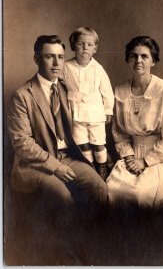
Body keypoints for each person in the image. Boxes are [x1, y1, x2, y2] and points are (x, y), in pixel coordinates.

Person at [7, 35, 108, 222]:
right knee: (63, 196)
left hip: (66, 156)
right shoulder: (22, 96)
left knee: (99, 187)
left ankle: (99, 239)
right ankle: (69, 247)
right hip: (35, 165)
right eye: (49, 57)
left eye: (60, 57)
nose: (56, 63)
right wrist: (55, 166)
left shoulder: (64, 87)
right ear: (37, 59)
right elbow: (22, 143)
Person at [107, 36, 163, 207]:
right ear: (128, 60)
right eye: (133, 56)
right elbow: (119, 132)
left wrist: (144, 162)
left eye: (144, 56)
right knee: (111, 190)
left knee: (141, 195)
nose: (138, 60)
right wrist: (129, 156)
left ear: (153, 61)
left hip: (161, 158)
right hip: (132, 156)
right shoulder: (120, 91)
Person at [63, 27, 114, 181]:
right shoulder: (66, 67)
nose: (85, 48)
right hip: (75, 112)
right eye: (80, 44)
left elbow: (107, 91)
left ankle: (102, 166)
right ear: (73, 46)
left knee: (98, 143)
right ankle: (89, 167)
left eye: (89, 45)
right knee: (83, 143)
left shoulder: (98, 69)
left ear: (95, 49)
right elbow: (59, 85)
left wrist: (108, 110)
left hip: (95, 112)